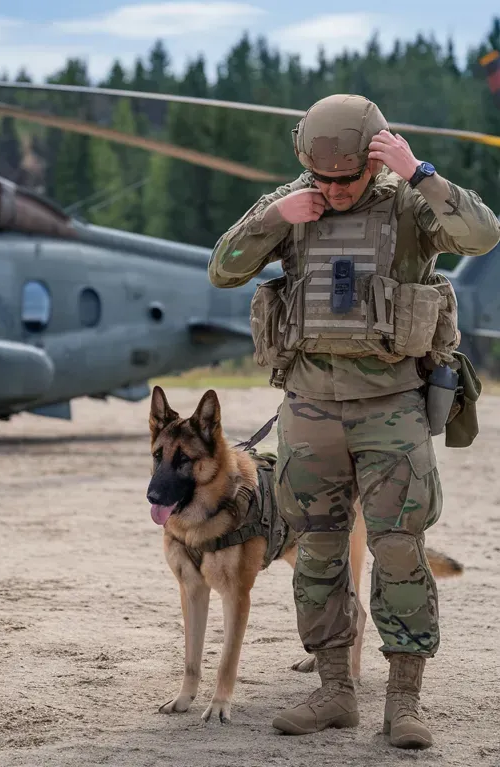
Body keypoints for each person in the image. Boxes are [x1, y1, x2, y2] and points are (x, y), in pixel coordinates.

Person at [208, 94, 500, 748]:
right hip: (309, 408)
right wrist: (273, 217)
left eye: (346, 177)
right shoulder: (293, 201)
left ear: (374, 156)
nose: (334, 191)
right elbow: (223, 269)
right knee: (314, 547)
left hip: (391, 406)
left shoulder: (409, 203)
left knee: (398, 546)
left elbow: (482, 233)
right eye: (322, 178)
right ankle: (335, 690)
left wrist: (419, 170)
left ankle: (403, 700)